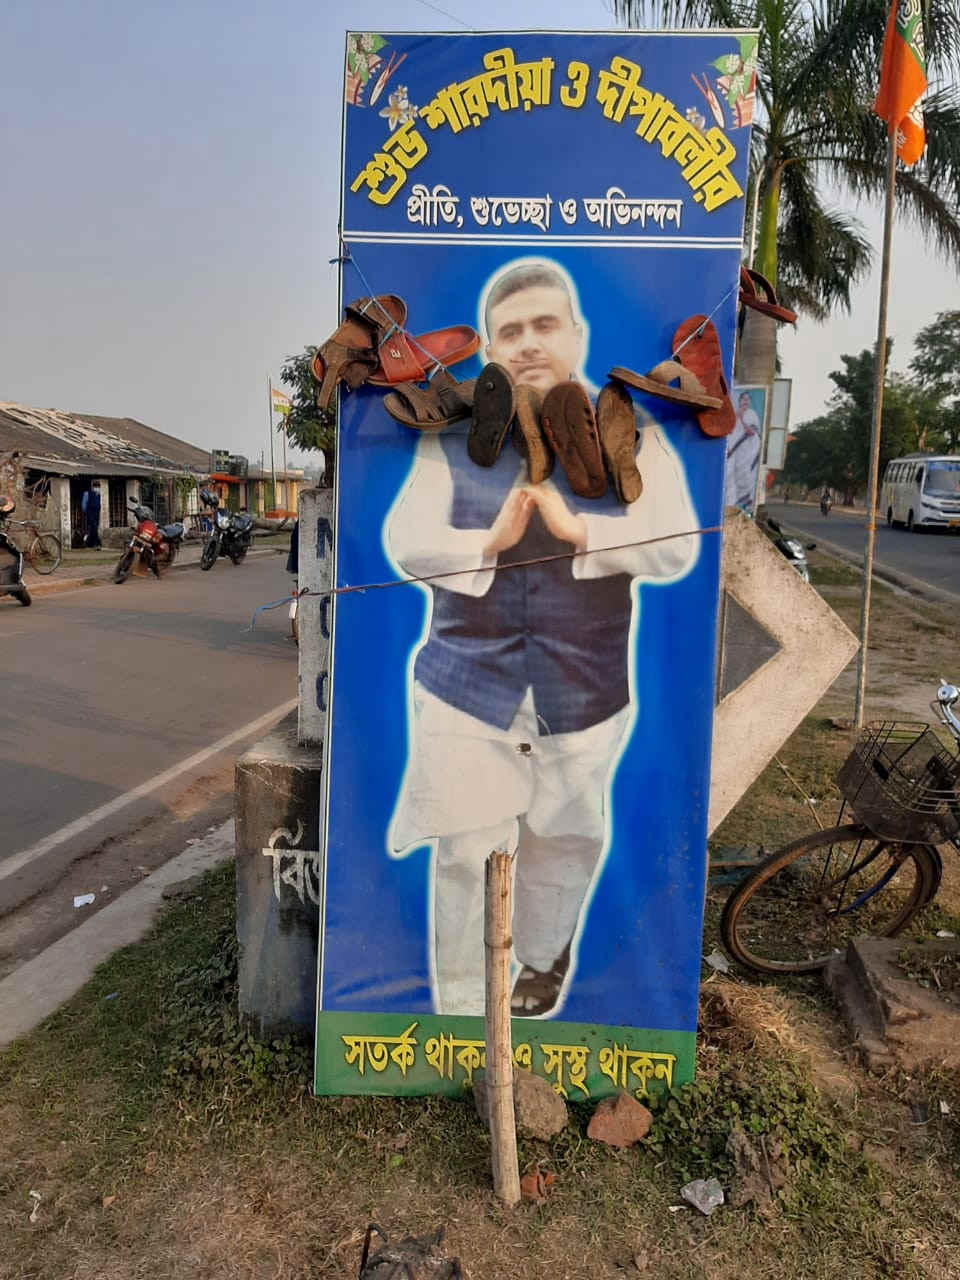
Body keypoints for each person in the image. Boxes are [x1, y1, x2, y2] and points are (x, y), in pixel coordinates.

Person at [385, 259, 700, 1018]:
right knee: (464, 846)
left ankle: (540, 957)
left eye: (544, 325)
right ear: (490, 348)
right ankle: (464, 1000)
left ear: (577, 334)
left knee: (566, 835)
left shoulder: (630, 431)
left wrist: (579, 529)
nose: (527, 343)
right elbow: (405, 538)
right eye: (510, 331)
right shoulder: (449, 436)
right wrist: (487, 542)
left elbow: (680, 544)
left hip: (584, 688)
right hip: (466, 682)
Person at [723, 392, 761, 511]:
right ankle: (732, 504)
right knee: (731, 475)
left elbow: (751, 432)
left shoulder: (751, 414)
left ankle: (746, 502)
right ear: (739, 401)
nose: (745, 401)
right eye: (743, 399)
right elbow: (729, 431)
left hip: (748, 450)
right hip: (735, 451)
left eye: (747, 399)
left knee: (745, 474)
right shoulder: (734, 414)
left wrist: (742, 419)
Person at [81, 481, 102, 549]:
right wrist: (86, 512)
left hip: (96, 513)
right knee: (92, 527)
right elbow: (84, 504)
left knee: (95, 527)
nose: (97, 488)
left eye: (98, 487)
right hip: (90, 512)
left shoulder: (98, 494)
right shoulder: (87, 493)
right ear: (92, 487)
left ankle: (92, 543)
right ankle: (93, 543)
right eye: (96, 486)